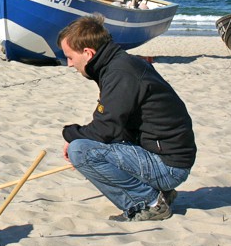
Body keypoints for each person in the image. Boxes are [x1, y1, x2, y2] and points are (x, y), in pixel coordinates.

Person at [57, 15, 197, 222]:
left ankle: (149, 203)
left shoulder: (120, 72)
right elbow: (113, 127)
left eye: (70, 57)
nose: (69, 64)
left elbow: (104, 130)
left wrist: (69, 134)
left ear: (88, 53)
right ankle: (158, 193)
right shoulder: (116, 65)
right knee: (86, 145)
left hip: (170, 166)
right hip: (160, 153)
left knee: (81, 151)